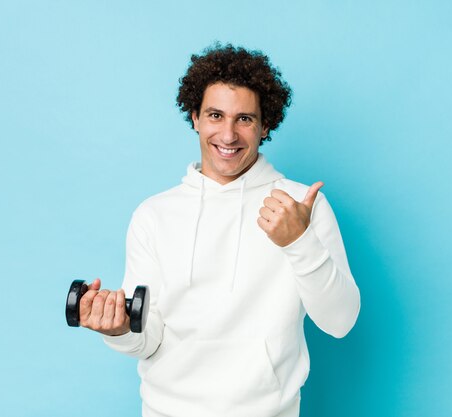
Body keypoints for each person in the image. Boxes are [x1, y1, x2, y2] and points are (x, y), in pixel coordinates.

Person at [78, 43, 360, 417]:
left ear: (266, 125)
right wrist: (117, 331)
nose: (228, 136)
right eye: (215, 115)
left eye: (244, 119)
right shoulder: (155, 215)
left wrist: (299, 242)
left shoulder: (299, 207)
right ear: (194, 117)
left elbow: (340, 322)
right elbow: (148, 338)